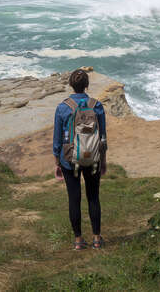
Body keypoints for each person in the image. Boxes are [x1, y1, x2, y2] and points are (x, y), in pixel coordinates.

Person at [53, 68, 107, 250]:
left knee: (74, 199)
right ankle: (97, 239)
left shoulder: (63, 107)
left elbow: (57, 139)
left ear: (71, 85)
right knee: (94, 197)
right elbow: (103, 137)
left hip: (69, 159)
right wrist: (103, 160)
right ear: (87, 85)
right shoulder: (96, 106)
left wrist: (57, 162)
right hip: (93, 157)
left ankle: (78, 240)